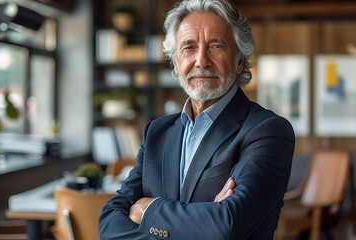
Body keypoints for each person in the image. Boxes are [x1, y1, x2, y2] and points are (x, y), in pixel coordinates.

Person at [98, 0, 295, 239]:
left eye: (216, 46)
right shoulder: (157, 133)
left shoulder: (268, 131)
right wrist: (203, 219)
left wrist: (147, 209)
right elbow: (108, 221)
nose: (202, 60)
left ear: (239, 60)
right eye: (188, 47)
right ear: (176, 62)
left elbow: (228, 224)